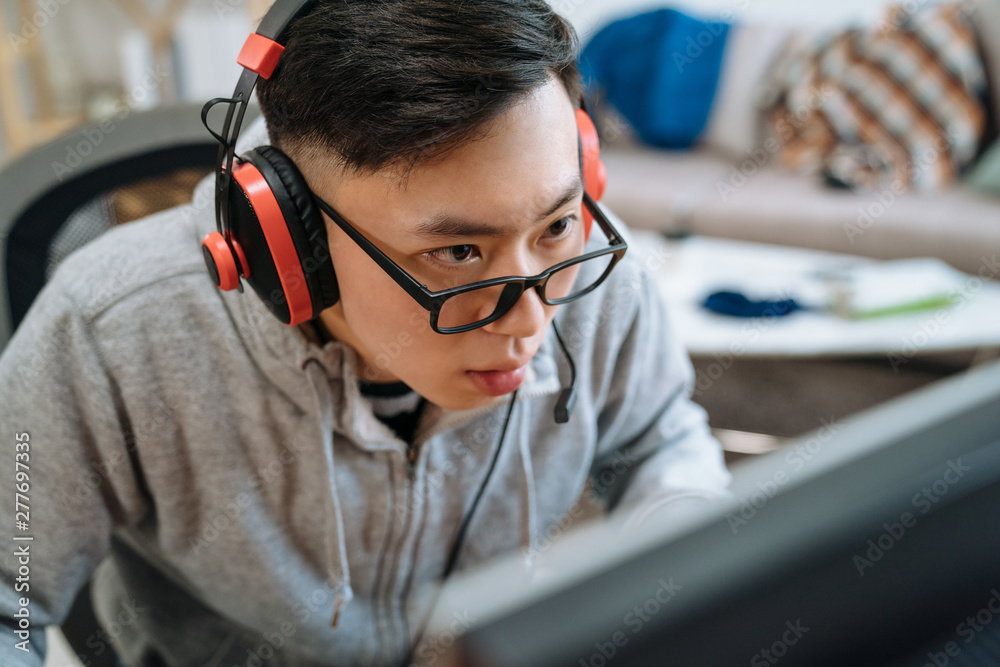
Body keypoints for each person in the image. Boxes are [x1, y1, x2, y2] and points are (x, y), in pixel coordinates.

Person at [0, 1, 730, 664]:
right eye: (457, 253)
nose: (533, 317)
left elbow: (660, 441)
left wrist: (681, 585)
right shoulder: (111, 331)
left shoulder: (594, 266)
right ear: (290, 241)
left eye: (556, 222)